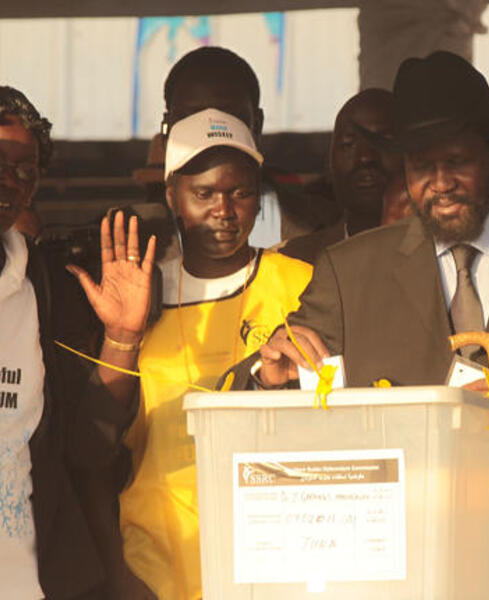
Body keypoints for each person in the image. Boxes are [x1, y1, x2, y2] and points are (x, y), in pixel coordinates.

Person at [223, 51, 489, 600]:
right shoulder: (349, 270)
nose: (441, 182)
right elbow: (240, 409)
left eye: (457, 160)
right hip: (397, 569)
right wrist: (268, 376)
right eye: (423, 166)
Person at [114, 109, 312, 599]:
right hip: (156, 558)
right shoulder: (142, 291)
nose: (224, 210)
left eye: (240, 192)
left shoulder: (297, 283)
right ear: (171, 195)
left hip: (272, 551)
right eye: (203, 193)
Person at [0, 86, 153, 598]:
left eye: (26, 169)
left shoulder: (44, 289)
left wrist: (121, 338)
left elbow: (87, 447)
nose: (10, 181)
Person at [162, 46, 340, 244]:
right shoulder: (132, 234)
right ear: (167, 130)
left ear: (257, 125)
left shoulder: (327, 226)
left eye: (228, 118)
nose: (209, 131)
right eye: (193, 118)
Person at [279, 88, 402, 264]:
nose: (365, 158)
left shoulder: (442, 257)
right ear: (329, 166)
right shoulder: (293, 261)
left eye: (381, 142)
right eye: (348, 144)